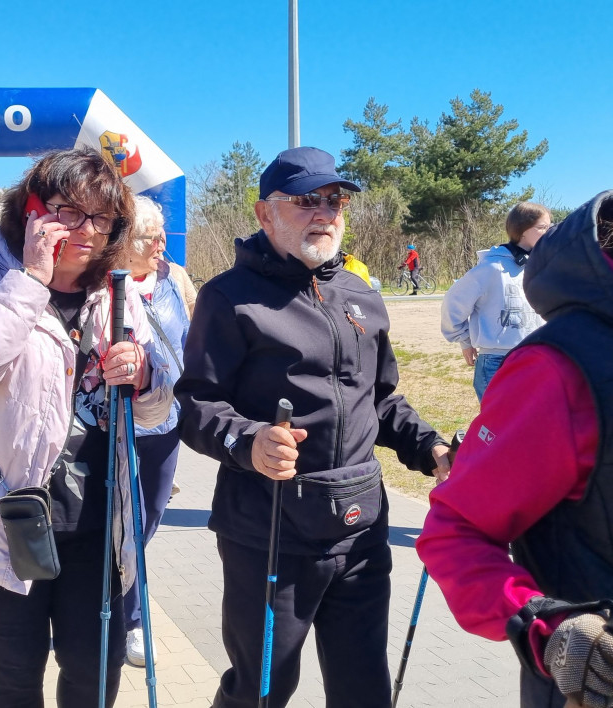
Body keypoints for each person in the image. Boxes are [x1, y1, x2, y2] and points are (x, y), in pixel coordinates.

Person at [175, 146, 451, 708]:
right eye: (306, 200)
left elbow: (380, 398)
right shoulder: (229, 297)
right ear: (264, 213)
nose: (324, 211)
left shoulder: (362, 295)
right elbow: (196, 404)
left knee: (363, 687)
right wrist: (249, 443)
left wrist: (432, 449)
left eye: (335, 199)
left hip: (360, 525)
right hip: (269, 529)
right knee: (262, 689)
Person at [0, 147, 173, 707]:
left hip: (97, 521)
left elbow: (155, 411)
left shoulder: (116, 290)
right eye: (66, 211)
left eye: (100, 218)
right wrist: (31, 279)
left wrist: (144, 377)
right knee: (14, 674)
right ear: (31, 210)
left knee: (93, 671)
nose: (84, 230)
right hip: (3, 513)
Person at [417, 191, 613, 708]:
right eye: (540, 226)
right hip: (506, 364)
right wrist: (547, 628)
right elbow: (454, 530)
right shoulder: (495, 272)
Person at [122, 195, 190, 667]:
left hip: (167, 424)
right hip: (118, 424)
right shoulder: (104, 285)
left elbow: (198, 336)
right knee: (126, 525)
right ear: (125, 240)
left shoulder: (176, 280)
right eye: (151, 237)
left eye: (162, 234)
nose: (161, 244)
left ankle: (112, 588)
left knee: (147, 523)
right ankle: (132, 620)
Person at [440, 202, 550, 401]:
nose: (548, 233)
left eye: (550, 227)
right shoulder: (491, 268)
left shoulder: (542, 266)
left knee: (531, 426)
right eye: (542, 228)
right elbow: (453, 304)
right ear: (522, 230)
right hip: (496, 362)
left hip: (536, 358)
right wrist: (465, 341)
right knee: (500, 428)